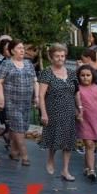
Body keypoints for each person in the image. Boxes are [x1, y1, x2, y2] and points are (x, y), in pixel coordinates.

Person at [38, 43, 78, 181]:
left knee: (69, 141)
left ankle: (65, 170)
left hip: (69, 110)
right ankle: (50, 159)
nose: (60, 59)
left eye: (62, 56)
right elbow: (41, 95)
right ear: (51, 57)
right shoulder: (47, 73)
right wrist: (43, 113)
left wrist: (81, 109)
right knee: (55, 138)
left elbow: (76, 92)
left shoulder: (71, 73)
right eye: (57, 56)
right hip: (53, 110)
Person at [0, 40, 38, 166]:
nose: (22, 50)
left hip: (26, 102)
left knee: (21, 128)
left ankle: (14, 150)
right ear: (12, 50)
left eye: (23, 48)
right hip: (12, 102)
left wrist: (37, 97)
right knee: (18, 127)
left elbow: (35, 80)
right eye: (19, 48)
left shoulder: (28, 64)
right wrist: (1, 98)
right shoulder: (7, 64)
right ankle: (24, 155)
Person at [75, 65, 97, 182]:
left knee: (91, 145)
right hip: (84, 120)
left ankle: (87, 167)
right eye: (82, 75)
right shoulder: (77, 89)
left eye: (88, 75)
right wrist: (78, 113)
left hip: (96, 119)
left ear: (93, 76)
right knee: (89, 144)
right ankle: (92, 170)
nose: (85, 78)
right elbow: (75, 104)